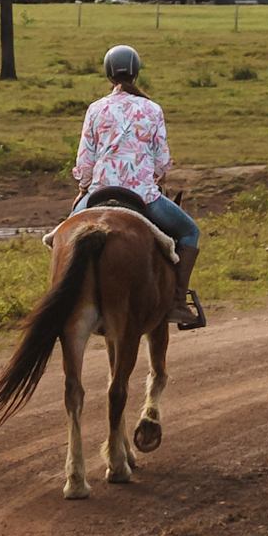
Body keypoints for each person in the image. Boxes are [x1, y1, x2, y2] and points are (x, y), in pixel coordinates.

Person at [74, 43, 205, 328]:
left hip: (99, 193)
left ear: (109, 74)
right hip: (143, 196)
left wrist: (84, 186)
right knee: (190, 232)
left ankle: (66, 298)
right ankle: (177, 302)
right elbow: (162, 162)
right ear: (136, 72)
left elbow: (85, 161)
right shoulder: (152, 109)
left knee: (64, 236)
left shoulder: (95, 109)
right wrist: (154, 176)